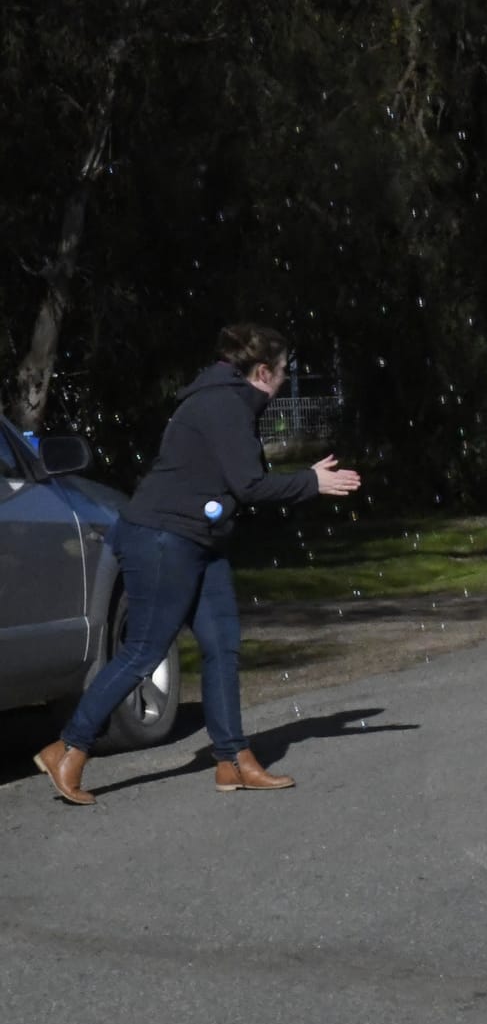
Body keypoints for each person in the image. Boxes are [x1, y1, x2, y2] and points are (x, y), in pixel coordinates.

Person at [33, 324, 362, 805]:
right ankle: (68, 746)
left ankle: (232, 760)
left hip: (201, 540)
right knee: (144, 650)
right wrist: (310, 482)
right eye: (285, 371)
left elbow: (233, 481)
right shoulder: (223, 405)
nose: (287, 379)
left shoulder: (227, 401)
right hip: (163, 538)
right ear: (264, 371)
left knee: (222, 643)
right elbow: (249, 485)